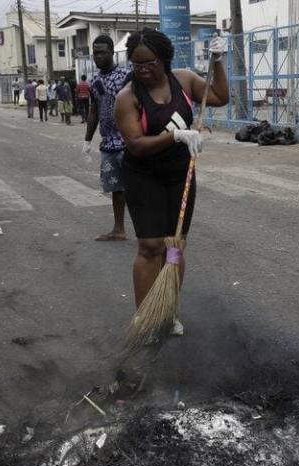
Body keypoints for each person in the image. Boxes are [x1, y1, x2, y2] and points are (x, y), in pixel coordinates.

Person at [114, 28, 228, 335]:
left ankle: (169, 309)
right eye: (136, 64)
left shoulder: (185, 79)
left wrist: (218, 60)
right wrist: (175, 135)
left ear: (163, 59)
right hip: (143, 175)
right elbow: (136, 144)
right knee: (150, 246)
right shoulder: (127, 98)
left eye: (149, 62)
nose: (143, 70)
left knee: (174, 245)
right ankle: (144, 316)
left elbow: (219, 96)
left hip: (180, 174)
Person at [84, 34, 133, 241]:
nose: (99, 56)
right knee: (115, 188)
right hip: (109, 143)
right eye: (95, 53)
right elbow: (94, 111)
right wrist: (87, 140)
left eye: (103, 52)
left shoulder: (126, 75)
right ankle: (118, 229)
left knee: (137, 187)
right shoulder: (94, 80)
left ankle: (148, 229)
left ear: (112, 52)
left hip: (130, 141)